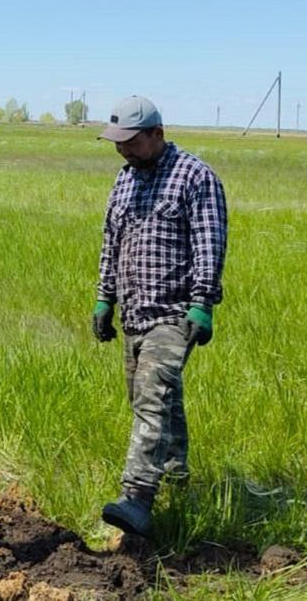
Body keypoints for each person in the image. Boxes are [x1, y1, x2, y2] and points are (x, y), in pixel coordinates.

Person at [92, 95, 228, 537]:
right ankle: (176, 477)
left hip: (174, 314)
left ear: (158, 134)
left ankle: (137, 498)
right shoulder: (124, 179)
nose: (123, 150)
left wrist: (202, 304)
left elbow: (209, 244)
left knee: (151, 400)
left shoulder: (195, 177)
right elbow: (112, 242)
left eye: (131, 142)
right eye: (117, 143)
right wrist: (104, 299)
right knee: (153, 399)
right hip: (133, 312)